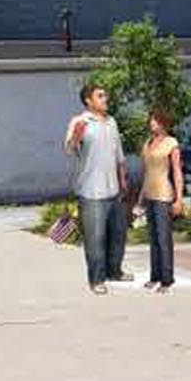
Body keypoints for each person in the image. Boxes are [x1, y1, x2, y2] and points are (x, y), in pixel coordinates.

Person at [64, 83, 129, 293]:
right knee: (95, 239)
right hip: (91, 192)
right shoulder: (80, 121)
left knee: (118, 235)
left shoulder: (111, 122)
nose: (105, 99)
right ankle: (97, 280)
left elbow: (118, 154)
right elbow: (69, 149)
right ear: (88, 101)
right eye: (100, 96)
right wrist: (76, 136)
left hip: (113, 190)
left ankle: (114, 271)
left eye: (105, 95)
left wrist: (123, 180)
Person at [139, 108, 185, 293]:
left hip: (164, 195)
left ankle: (167, 279)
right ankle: (155, 276)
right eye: (151, 120)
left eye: (155, 121)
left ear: (164, 123)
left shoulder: (171, 143)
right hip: (149, 194)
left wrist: (179, 199)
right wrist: (139, 199)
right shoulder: (147, 143)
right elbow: (146, 173)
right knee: (153, 238)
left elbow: (177, 172)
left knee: (163, 238)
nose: (152, 123)